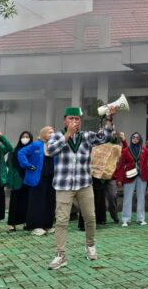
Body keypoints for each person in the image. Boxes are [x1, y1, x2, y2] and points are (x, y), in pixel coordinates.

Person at [46, 106, 116, 270]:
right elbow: (51, 150)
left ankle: (90, 245)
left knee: (90, 217)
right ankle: (60, 255)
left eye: (77, 119)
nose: (74, 121)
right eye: (71, 118)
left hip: (84, 183)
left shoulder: (86, 136)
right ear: (65, 120)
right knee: (62, 220)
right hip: (64, 185)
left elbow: (106, 137)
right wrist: (68, 135)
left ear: (80, 121)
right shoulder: (56, 135)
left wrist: (109, 119)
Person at [18, 126, 56, 235]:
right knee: (37, 202)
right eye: (49, 133)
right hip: (38, 178)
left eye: (53, 132)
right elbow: (21, 153)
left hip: (51, 178)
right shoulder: (36, 144)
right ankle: (35, 226)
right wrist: (27, 165)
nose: (52, 134)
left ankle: (48, 225)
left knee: (50, 202)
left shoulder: (54, 146)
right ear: (43, 134)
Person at [119, 133, 148, 227]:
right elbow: (121, 165)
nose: (135, 139)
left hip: (141, 176)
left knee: (141, 198)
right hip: (129, 176)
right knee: (127, 198)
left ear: (140, 139)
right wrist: (119, 179)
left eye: (137, 137)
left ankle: (141, 219)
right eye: (133, 137)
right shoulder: (126, 150)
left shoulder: (143, 148)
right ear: (131, 138)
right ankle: (125, 219)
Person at [6, 131, 33, 232]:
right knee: (14, 202)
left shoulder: (33, 150)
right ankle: (12, 224)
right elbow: (9, 164)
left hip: (29, 179)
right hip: (17, 180)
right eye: (23, 136)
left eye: (27, 136)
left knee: (28, 202)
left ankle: (27, 222)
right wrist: (12, 177)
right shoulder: (14, 151)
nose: (25, 138)